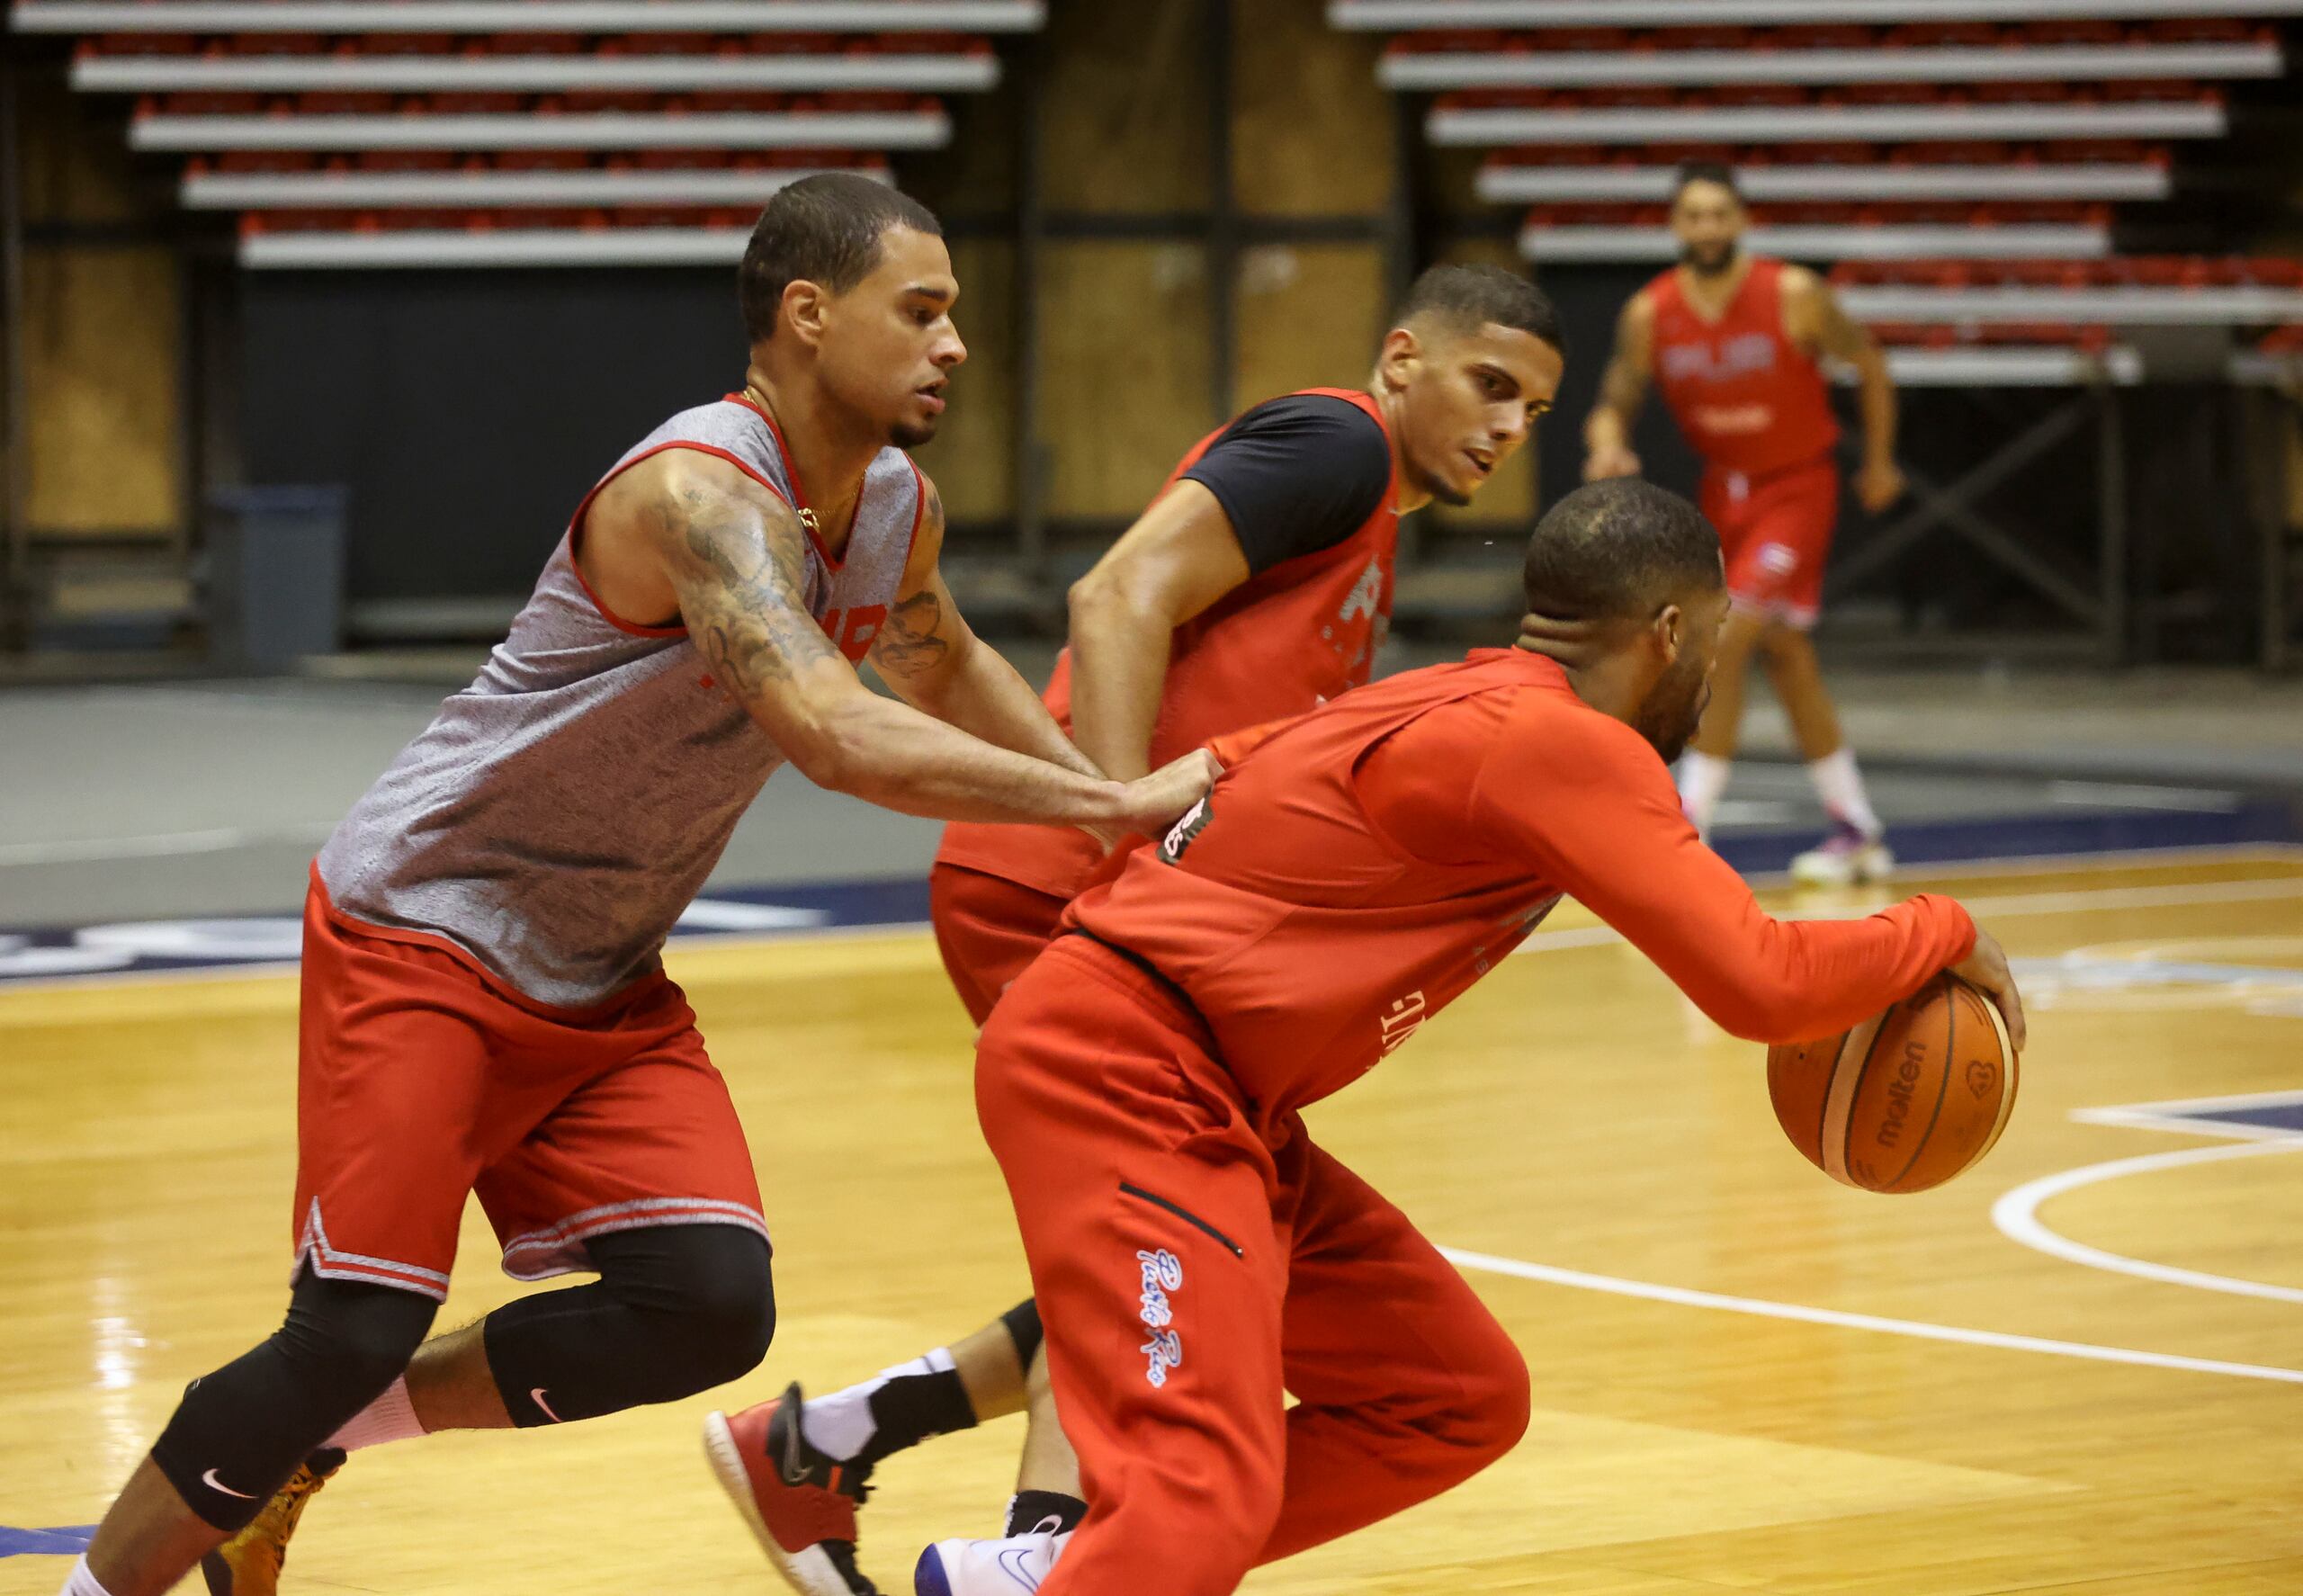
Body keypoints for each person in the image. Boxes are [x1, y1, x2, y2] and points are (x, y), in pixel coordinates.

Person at [58, 173, 1212, 1596]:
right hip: (430, 921)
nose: (954, 343)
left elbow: (938, 655)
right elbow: (836, 730)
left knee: (706, 1308)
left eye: (955, 314)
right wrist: (1106, 795)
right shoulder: (697, 493)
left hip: (603, 965)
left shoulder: (891, 499)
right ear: (807, 314)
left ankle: (307, 1442)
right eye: (921, 310)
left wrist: (1101, 822)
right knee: (349, 1321)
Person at [972, 476, 2026, 1596]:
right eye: (1712, 646)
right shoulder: (1559, 742)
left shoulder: (1458, 694)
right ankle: (1093, 1568)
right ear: (1669, 633)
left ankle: (1064, 1575)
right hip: (1132, 1067)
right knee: (1197, 1494)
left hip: (1212, 1090)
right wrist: (1941, 927)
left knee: (1450, 1395)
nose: (1715, 677)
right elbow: (1758, 984)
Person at [703, 264, 1566, 1596]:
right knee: (1172, 1223)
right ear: (1403, 358)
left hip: (1109, 898)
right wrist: (1117, 834)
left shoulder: (1371, 519)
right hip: (1064, 887)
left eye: (1533, 408)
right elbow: (1115, 596)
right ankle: (1038, 1552)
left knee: (1208, 1237)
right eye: (1489, 385)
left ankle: (835, 1441)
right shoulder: (1336, 442)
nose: (1509, 427)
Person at [1583, 161, 1905, 885]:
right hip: (1721, 496)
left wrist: (1879, 461)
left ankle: (1688, 824)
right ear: (1676, 226)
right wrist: (1607, 442)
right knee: (1784, 654)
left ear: (1741, 220)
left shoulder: (1793, 293)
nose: (1707, 228)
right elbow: (1615, 396)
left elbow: (1871, 364)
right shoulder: (1651, 312)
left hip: (1797, 488)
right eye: (1693, 215)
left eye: (1719, 214)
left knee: (1723, 638)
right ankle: (1856, 828)